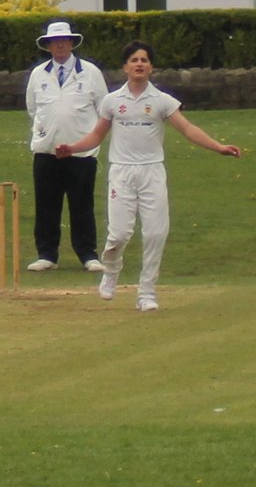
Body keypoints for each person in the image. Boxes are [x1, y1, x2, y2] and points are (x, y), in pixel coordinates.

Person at [56, 41, 240, 312]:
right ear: (125, 67)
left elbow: (188, 129)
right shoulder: (112, 101)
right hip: (122, 172)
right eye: (134, 60)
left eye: (144, 60)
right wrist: (71, 148)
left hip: (152, 172)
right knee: (118, 234)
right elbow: (96, 135)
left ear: (151, 67)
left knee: (155, 233)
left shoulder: (162, 101)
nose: (139, 64)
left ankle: (147, 292)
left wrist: (218, 147)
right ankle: (111, 271)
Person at [25, 20, 108, 273]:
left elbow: (103, 109)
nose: (59, 45)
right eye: (54, 41)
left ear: (72, 43)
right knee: (46, 204)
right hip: (46, 151)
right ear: (48, 46)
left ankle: (88, 255)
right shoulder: (39, 74)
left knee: (81, 204)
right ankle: (47, 255)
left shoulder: (90, 72)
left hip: (81, 151)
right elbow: (33, 109)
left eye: (64, 40)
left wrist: (84, 139)